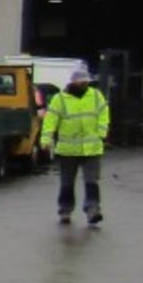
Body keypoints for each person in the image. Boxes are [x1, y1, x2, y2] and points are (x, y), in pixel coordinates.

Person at [40, 64, 111, 226]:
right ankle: (65, 210)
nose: (84, 84)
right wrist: (46, 140)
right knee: (67, 183)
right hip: (68, 150)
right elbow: (51, 120)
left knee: (91, 181)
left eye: (86, 81)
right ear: (73, 82)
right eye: (81, 81)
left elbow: (103, 114)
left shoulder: (95, 96)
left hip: (91, 149)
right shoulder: (60, 99)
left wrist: (101, 133)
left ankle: (93, 210)